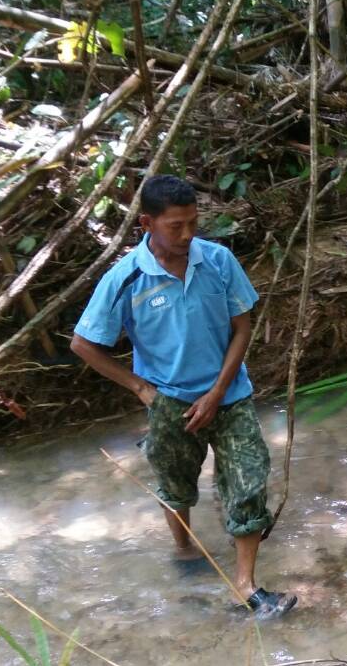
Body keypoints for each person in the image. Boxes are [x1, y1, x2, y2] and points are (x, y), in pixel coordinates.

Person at [70, 174, 296, 619]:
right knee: (176, 486)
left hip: (229, 394)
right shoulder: (126, 278)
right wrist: (141, 388)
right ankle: (185, 550)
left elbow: (242, 327)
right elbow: (83, 344)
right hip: (169, 402)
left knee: (249, 481)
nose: (188, 234)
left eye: (193, 222)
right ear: (147, 224)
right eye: (176, 226)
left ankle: (245, 585)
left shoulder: (218, 260)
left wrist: (217, 392)